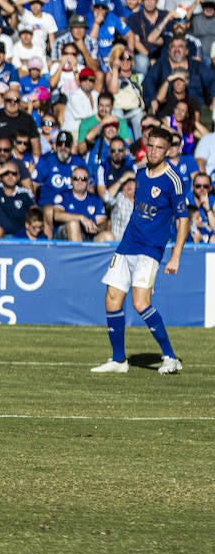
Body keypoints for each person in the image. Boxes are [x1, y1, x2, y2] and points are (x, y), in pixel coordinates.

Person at [93, 127, 189, 374]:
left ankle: (170, 356)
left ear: (167, 151)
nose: (154, 151)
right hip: (127, 245)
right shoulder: (139, 172)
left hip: (150, 250)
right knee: (112, 299)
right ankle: (118, 360)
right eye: (151, 146)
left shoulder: (174, 180)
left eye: (159, 147)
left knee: (140, 302)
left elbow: (183, 221)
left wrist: (175, 256)